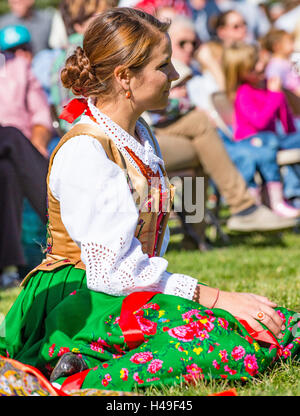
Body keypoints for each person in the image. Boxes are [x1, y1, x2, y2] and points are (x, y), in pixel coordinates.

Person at [0, 8, 298, 394]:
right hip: (81, 297)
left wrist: (213, 300)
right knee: (225, 345)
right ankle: (71, 377)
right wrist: (217, 297)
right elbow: (113, 273)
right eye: (164, 65)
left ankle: (89, 358)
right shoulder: (87, 151)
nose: (174, 75)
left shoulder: (138, 133)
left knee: (280, 326)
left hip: (128, 290)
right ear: (125, 77)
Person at [0, 24, 51, 287]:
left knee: (9, 169)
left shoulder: (18, 68)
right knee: (10, 135)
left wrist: (37, 144)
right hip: (11, 141)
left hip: (15, 155)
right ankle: (61, 224)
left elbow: (42, 116)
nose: (18, 52)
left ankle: (9, 268)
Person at [223, 42, 300, 217]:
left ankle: (290, 196)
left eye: (258, 61)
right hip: (252, 141)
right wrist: (274, 95)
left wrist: (279, 97)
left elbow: (285, 118)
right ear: (240, 73)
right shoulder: (244, 92)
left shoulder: (266, 86)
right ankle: (276, 201)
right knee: (270, 141)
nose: (260, 66)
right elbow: (259, 122)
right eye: (252, 67)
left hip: (271, 139)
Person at [262, 29, 300, 97]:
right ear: (277, 46)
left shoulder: (288, 61)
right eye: (289, 42)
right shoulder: (275, 66)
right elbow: (274, 88)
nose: (293, 44)